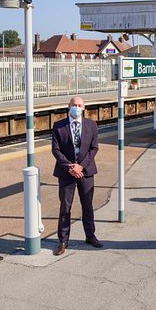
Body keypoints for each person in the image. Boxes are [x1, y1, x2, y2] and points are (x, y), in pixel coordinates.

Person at [51, 96, 102, 256]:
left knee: (87, 206)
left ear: (84, 107)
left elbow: (94, 148)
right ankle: (63, 241)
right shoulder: (58, 126)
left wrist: (81, 166)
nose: (77, 107)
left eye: (80, 105)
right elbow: (56, 149)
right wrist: (69, 167)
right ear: (69, 106)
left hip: (86, 171)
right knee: (65, 207)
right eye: (74, 105)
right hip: (66, 173)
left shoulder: (91, 125)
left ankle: (90, 235)